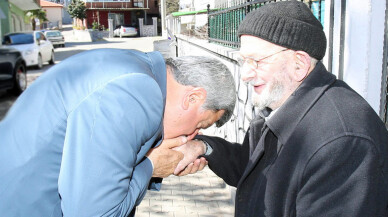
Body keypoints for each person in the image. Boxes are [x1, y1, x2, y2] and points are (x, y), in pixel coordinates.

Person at [178, 1, 388, 216]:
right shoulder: (282, 102)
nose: (245, 74)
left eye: (257, 61)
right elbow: (251, 168)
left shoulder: (342, 143)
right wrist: (203, 147)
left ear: (299, 64)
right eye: (243, 61)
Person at [0, 49, 236, 216]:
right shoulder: (136, 93)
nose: (193, 134)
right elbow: (95, 213)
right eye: (200, 125)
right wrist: (151, 166)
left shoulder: (138, 70)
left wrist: (160, 163)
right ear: (193, 97)